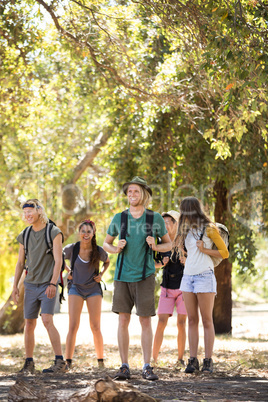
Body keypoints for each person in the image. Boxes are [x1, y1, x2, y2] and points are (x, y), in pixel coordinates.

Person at [103, 176, 172, 381]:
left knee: (144, 321)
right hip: (122, 276)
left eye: (136, 191)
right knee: (123, 319)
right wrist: (115, 248)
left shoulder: (155, 218)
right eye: (129, 192)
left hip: (145, 276)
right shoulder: (119, 218)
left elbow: (169, 244)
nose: (132, 195)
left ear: (144, 194)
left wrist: (155, 245)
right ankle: (124, 366)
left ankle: (147, 366)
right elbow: (106, 244)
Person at [12, 199, 66, 374]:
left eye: (30, 211)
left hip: (47, 284)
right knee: (29, 323)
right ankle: (29, 363)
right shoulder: (24, 235)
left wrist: (53, 283)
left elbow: (59, 261)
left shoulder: (53, 232)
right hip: (30, 285)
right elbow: (20, 263)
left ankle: (60, 362)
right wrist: (15, 286)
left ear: (39, 211)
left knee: (47, 320)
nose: (27, 215)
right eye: (25, 212)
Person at [176, 196, 229, 374]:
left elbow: (224, 253)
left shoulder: (209, 229)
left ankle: (207, 360)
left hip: (205, 276)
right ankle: (192, 360)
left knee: (206, 320)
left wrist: (204, 249)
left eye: (185, 210)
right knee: (191, 320)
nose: (183, 213)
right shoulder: (185, 230)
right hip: (188, 277)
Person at [64, 219, 110, 369]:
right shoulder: (72, 249)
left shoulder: (98, 250)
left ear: (93, 233)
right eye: (83, 231)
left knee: (95, 326)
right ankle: (68, 362)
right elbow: (56, 256)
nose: (85, 234)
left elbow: (107, 261)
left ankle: (100, 361)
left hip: (93, 289)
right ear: (79, 233)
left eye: (88, 232)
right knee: (73, 326)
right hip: (75, 288)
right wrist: (67, 270)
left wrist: (101, 274)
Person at [152, 210, 187, 367]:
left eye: (168, 222)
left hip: (184, 289)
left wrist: (186, 259)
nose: (164, 225)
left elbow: (195, 261)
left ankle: (180, 359)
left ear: (176, 224)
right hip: (166, 287)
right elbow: (150, 263)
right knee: (161, 322)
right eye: (163, 222)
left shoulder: (186, 242)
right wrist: (161, 264)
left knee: (181, 323)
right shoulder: (160, 242)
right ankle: (153, 359)